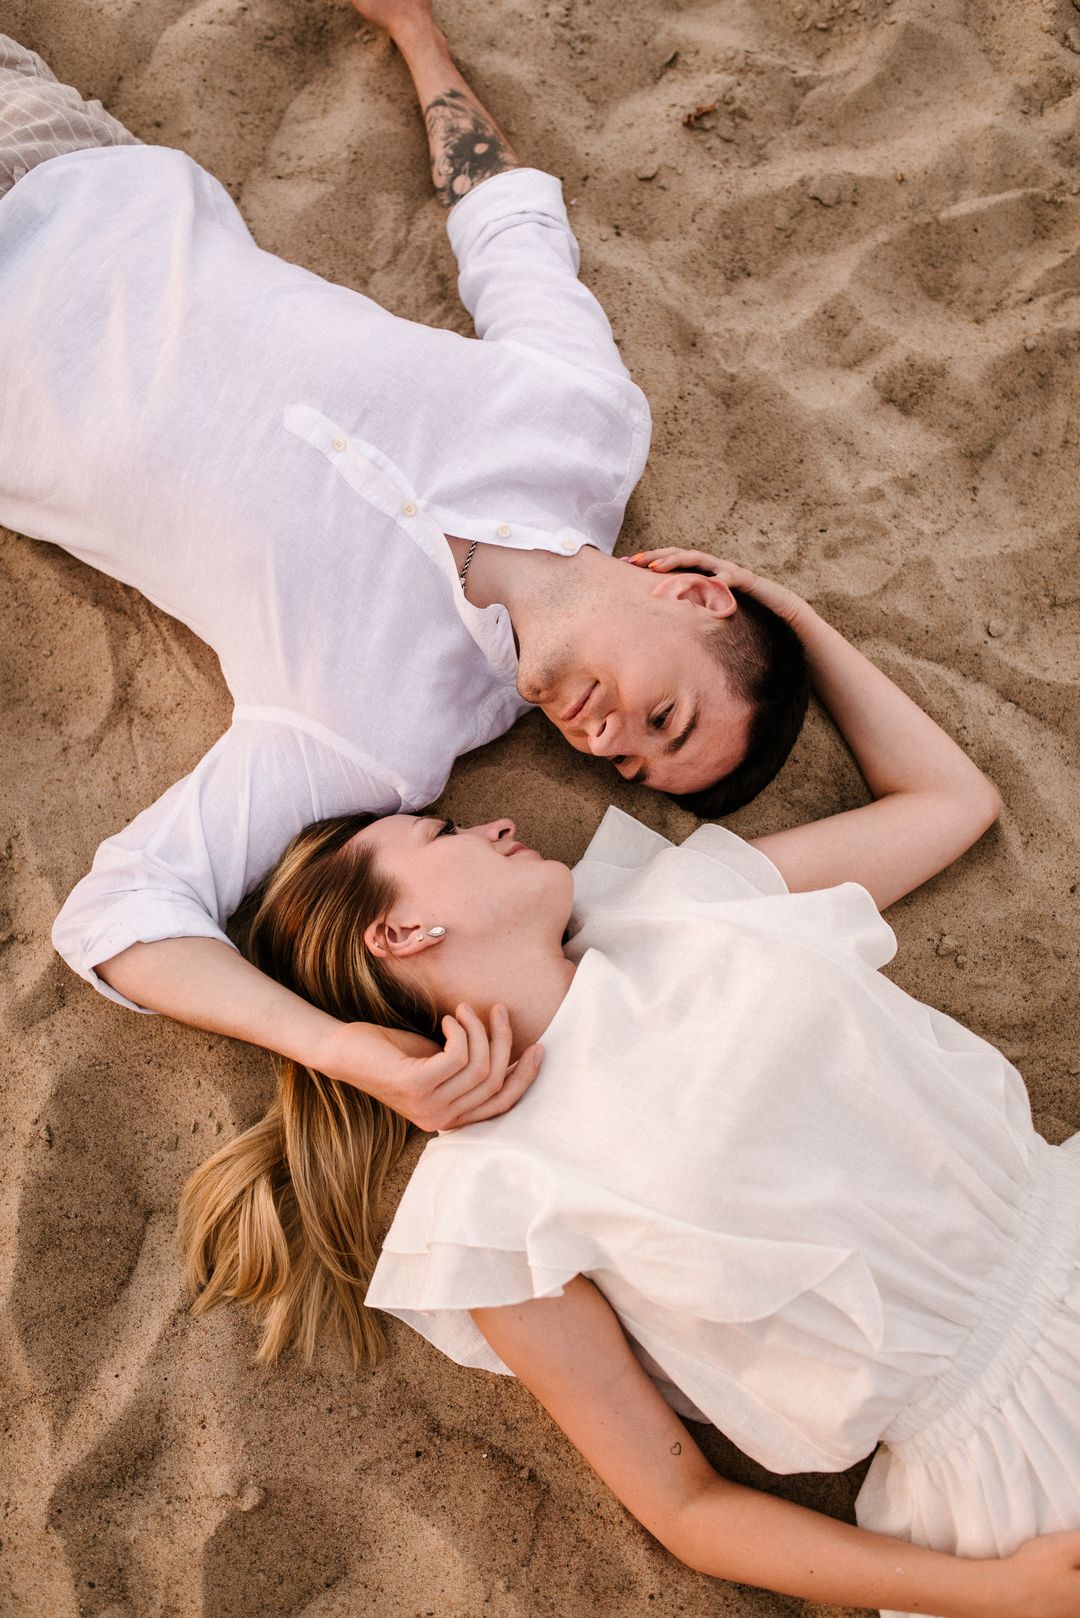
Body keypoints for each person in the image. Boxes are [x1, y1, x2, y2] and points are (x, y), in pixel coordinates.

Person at [180, 553, 1080, 1618]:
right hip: (1007, 1466)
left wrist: (780, 616)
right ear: (402, 931)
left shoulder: (686, 903)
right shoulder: (489, 1205)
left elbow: (950, 801)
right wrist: (997, 1590)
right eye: (443, 835)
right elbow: (683, 1505)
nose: (493, 824)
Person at [0, 3, 807, 1135]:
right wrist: (417, 35)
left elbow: (122, 911)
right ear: (695, 590)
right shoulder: (587, 423)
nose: (608, 742)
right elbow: (509, 227)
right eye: (665, 717)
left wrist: (339, 1048)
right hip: (71, 165)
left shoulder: (376, 735)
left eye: (632, 764)